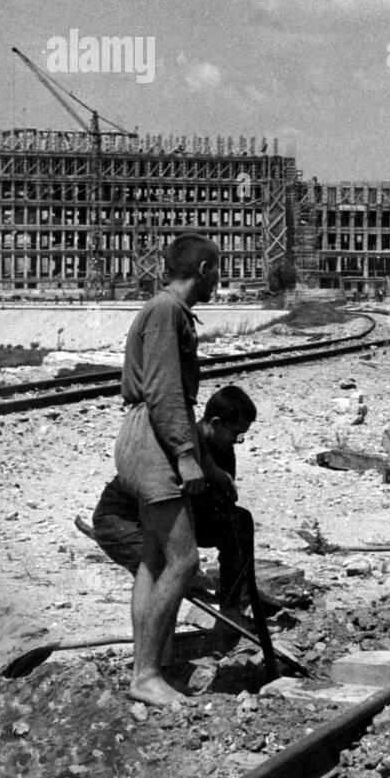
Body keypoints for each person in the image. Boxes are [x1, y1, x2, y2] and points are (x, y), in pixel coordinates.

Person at [113, 233, 219, 707]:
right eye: (217, 270)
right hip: (154, 439)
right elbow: (164, 390)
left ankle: (148, 666)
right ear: (203, 268)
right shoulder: (166, 311)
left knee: (155, 559)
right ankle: (147, 673)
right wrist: (185, 452)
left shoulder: (166, 311)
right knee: (184, 559)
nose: (219, 280)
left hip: (145, 434)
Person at [91, 386, 259, 629]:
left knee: (239, 521)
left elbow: (220, 510)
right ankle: (158, 654)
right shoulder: (181, 448)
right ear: (216, 423)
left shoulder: (222, 452)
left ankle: (231, 609)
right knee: (166, 570)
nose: (239, 441)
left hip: (170, 520)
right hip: (121, 523)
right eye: (237, 434)